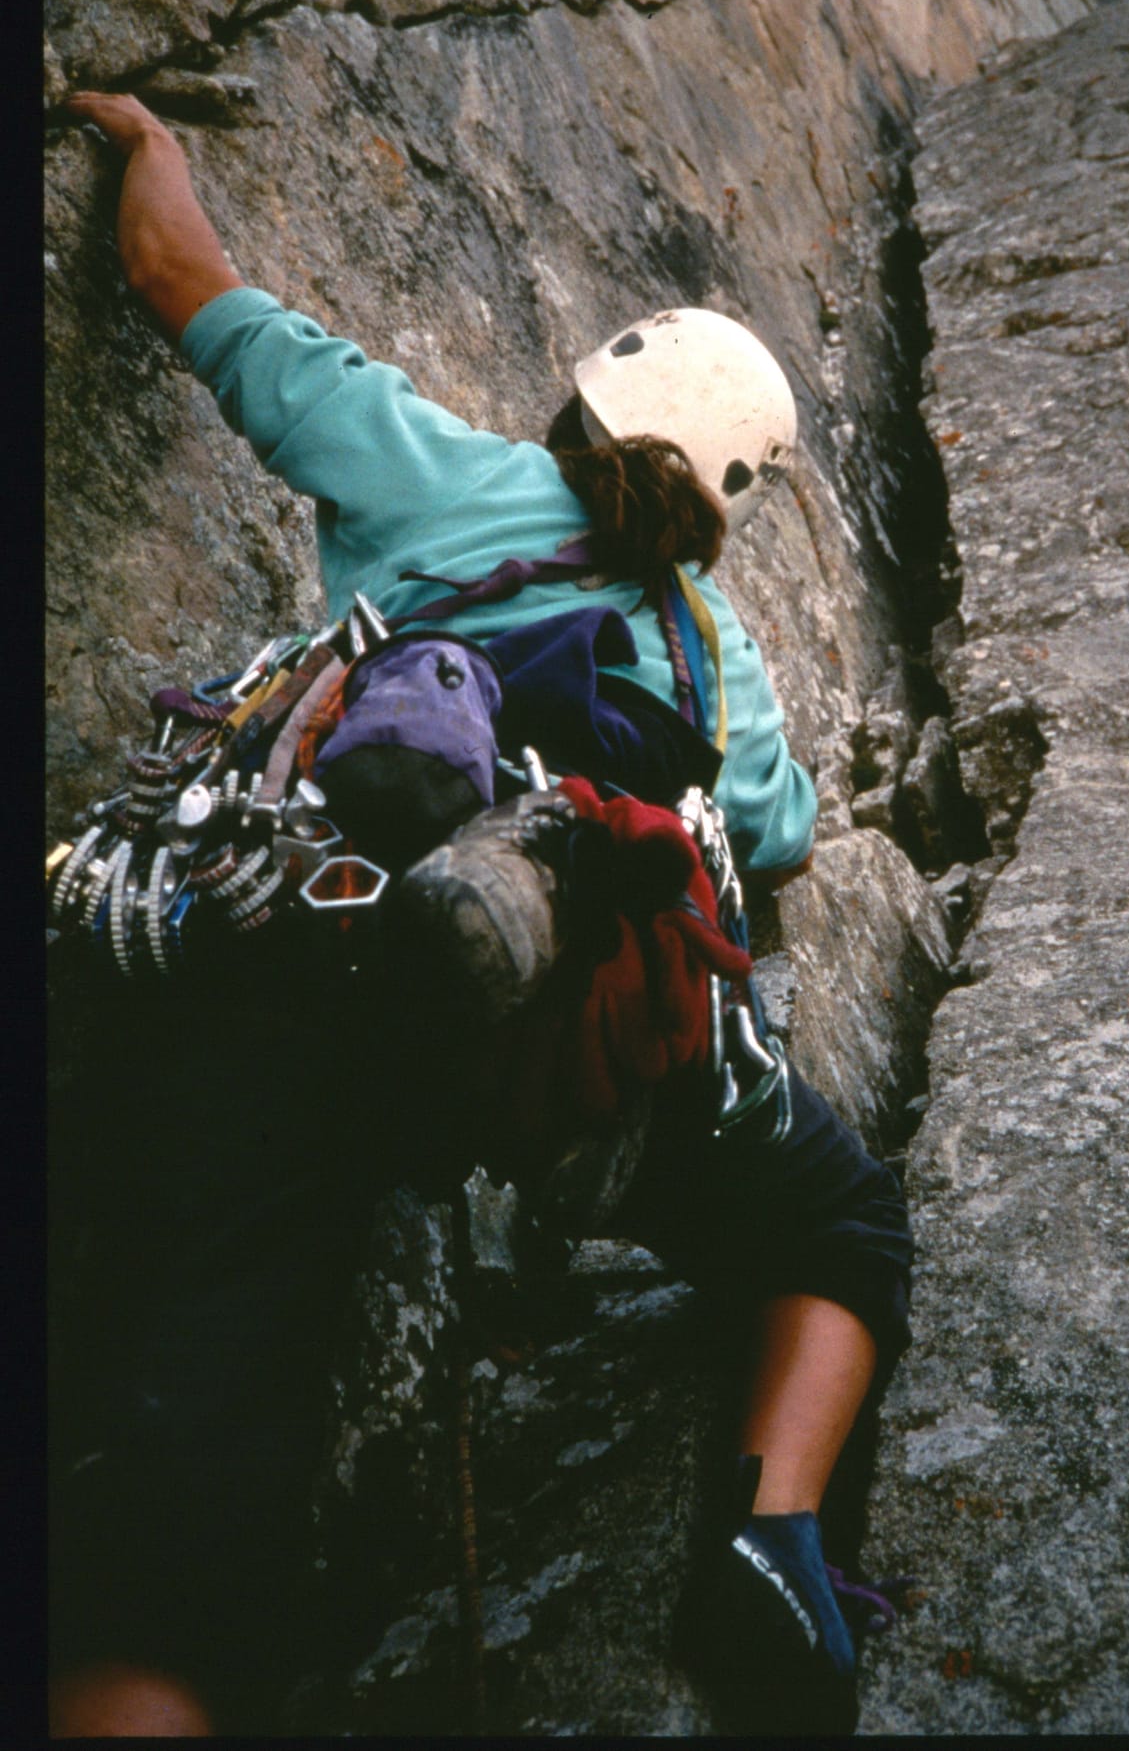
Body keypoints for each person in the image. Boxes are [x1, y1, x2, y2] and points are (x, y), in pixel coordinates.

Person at [49, 92, 915, 1737]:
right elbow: (778, 844)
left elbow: (176, 274)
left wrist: (143, 130)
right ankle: (771, 1530)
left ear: (582, 397)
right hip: (539, 1064)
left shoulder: (428, 467)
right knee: (840, 1221)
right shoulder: (714, 657)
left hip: (289, 983)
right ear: (731, 501)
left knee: (172, 1514)